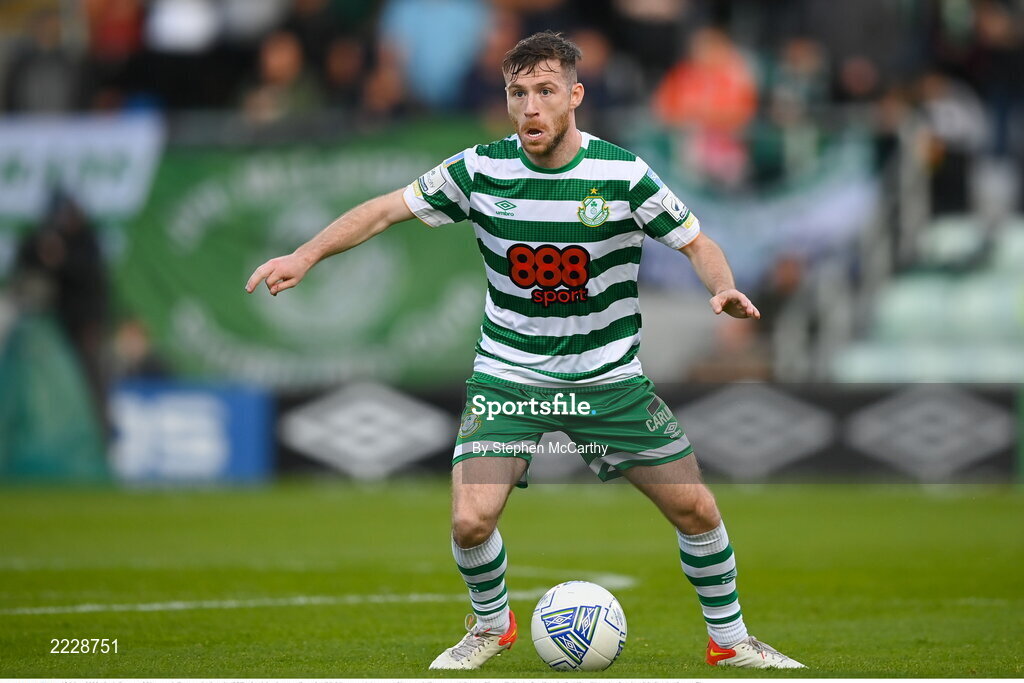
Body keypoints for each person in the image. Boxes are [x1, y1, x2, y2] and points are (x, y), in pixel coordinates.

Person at [245, 31, 804, 671]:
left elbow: (696, 241)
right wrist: (305, 254)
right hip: (511, 376)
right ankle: (491, 626)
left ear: (575, 95)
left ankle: (730, 641)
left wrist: (724, 287)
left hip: (608, 379)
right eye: (517, 93)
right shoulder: (479, 169)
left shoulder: (621, 173)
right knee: (469, 522)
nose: (530, 108)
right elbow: (381, 211)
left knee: (696, 508)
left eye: (545, 92)